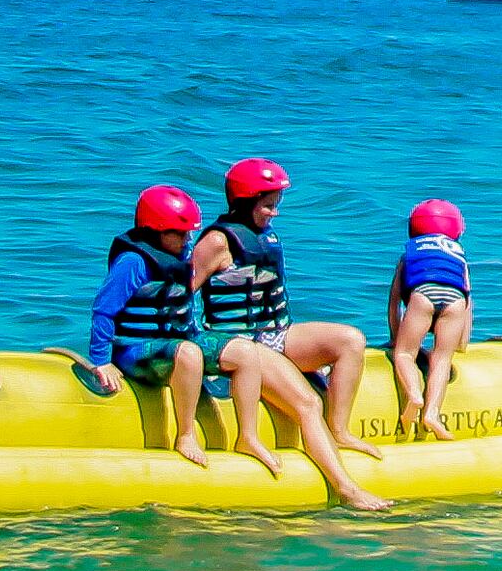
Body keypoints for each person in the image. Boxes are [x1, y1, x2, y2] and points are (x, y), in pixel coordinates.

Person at [191, 157, 392, 512]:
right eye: (268, 205)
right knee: (307, 403)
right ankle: (346, 488)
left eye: (276, 204)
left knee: (350, 340)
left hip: (275, 334)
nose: (275, 213)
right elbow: (180, 294)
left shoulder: (263, 236)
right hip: (241, 343)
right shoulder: (217, 242)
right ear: (245, 201)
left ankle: (340, 430)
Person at [80, 182, 217, 460]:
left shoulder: (180, 258)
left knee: (242, 352)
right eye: (179, 233)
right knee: (189, 353)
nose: (187, 240)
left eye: (189, 233)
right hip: (134, 351)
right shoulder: (133, 262)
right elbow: (104, 311)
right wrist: (101, 361)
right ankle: (186, 436)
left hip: (174, 346)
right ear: (155, 231)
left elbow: (184, 309)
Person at [388, 197, 476, 440]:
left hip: (423, 295)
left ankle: (414, 396)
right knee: (442, 358)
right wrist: (462, 342)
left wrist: (396, 339)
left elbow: (394, 301)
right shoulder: (459, 257)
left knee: (405, 354)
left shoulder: (408, 255)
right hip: (455, 301)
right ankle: (432, 414)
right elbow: (467, 301)